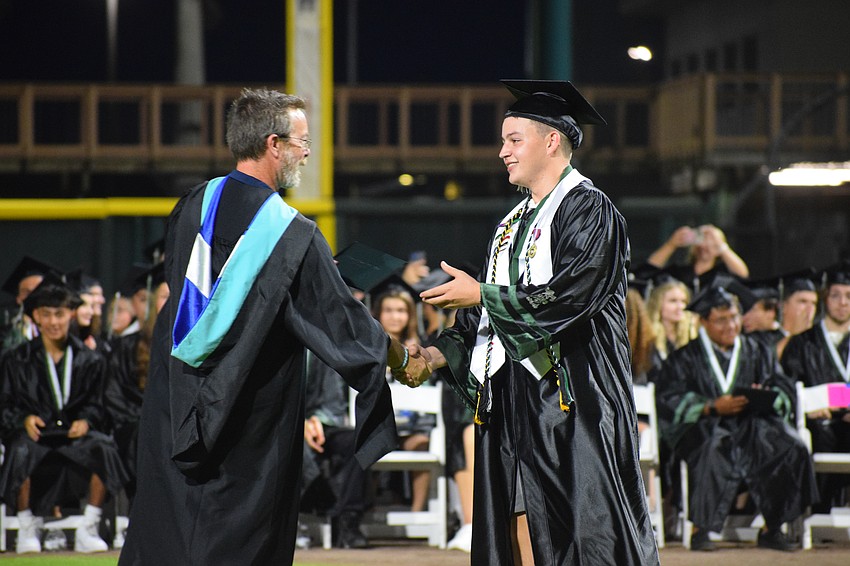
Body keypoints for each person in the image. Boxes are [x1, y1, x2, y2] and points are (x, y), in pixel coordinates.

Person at [118, 88, 414, 566]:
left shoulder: (193, 205)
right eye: (301, 141)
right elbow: (338, 320)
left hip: (176, 397)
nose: (307, 150)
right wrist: (399, 359)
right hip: (247, 412)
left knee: (171, 528)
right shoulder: (291, 233)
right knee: (238, 533)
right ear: (273, 144)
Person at [407, 80, 659, 565]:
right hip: (512, 399)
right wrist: (436, 355)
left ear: (551, 141)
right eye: (503, 140)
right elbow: (486, 316)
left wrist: (480, 291)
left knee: (582, 534)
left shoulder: (589, 209)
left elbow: (570, 295)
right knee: (517, 518)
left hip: (574, 398)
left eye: (513, 139)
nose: (502, 151)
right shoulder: (511, 224)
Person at [654, 280, 816, 552]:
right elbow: (669, 399)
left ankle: (772, 528)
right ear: (704, 322)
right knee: (712, 445)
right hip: (706, 425)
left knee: (789, 445)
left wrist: (765, 395)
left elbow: (781, 386)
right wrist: (711, 406)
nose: (730, 326)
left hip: (752, 423)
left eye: (734, 318)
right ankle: (701, 529)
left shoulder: (757, 351)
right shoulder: (684, 358)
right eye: (721, 320)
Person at [0, 274, 128, 554]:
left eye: (60, 314)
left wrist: (88, 420)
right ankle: (26, 528)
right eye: (46, 315)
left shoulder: (90, 359)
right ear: (35, 316)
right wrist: (23, 420)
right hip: (36, 435)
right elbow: (5, 404)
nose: (54, 322)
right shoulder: (16, 360)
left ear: (71, 314)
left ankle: (88, 526)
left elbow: (99, 404)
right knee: (19, 450)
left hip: (73, 434)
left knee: (104, 447)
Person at [781, 260, 850, 513]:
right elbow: (791, 386)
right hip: (819, 423)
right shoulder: (802, 343)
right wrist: (813, 407)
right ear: (825, 298)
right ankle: (820, 510)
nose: (843, 303)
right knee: (820, 436)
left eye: (849, 296)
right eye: (836, 296)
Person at [301, 352, 372, 549]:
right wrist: (299, 423)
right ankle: (314, 506)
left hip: (317, 421)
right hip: (279, 425)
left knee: (354, 442)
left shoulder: (317, 341)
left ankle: (348, 523)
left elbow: (330, 399)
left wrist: (317, 420)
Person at [372, 287, 434, 514]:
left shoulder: (420, 349)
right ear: (378, 313)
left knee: (422, 442)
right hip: (377, 424)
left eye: (400, 310)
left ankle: (418, 512)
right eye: (388, 310)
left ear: (409, 315)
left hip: (412, 426)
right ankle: (369, 510)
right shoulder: (367, 346)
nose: (394, 316)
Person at [646, 224, 749, 292]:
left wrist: (722, 247)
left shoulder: (722, 274)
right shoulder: (679, 272)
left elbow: (742, 275)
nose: (705, 246)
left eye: (711, 242)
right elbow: (648, 269)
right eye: (701, 238)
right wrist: (671, 244)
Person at [776, 270, 819, 359]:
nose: (809, 309)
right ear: (783, 306)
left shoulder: (817, 343)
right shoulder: (768, 341)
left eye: (814, 303)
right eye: (803, 302)